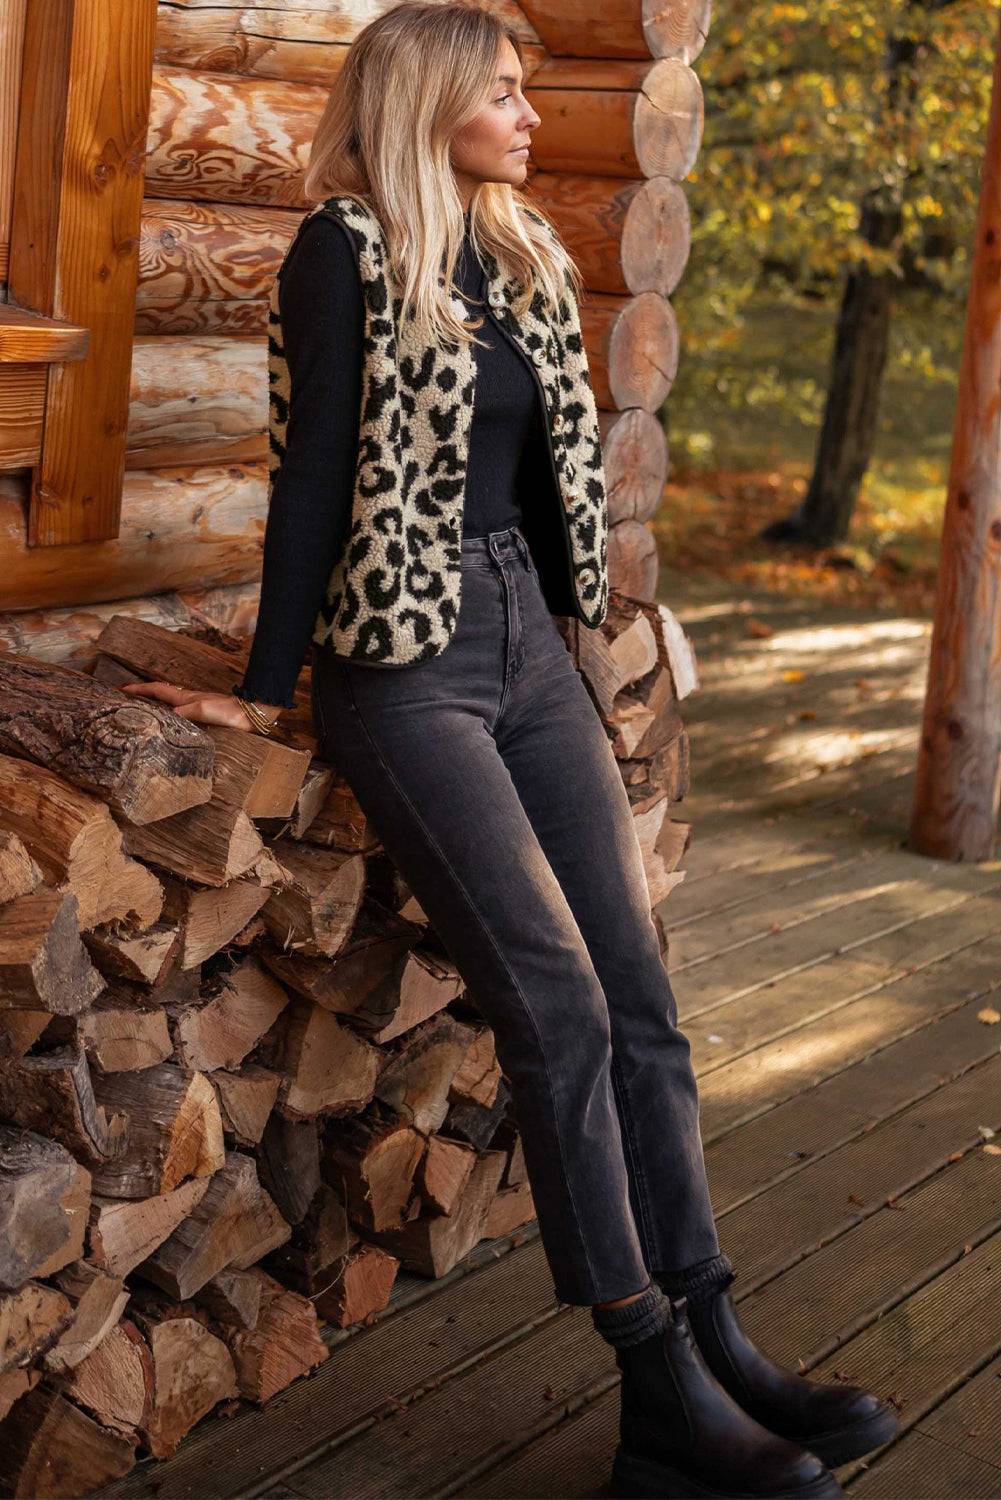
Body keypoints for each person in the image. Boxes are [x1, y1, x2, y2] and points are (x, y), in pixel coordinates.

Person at [121, 5, 896, 1495]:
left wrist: (578, 640)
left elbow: (546, 482)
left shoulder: (523, 247)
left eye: (536, 91)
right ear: (424, 100)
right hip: (400, 671)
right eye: (504, 91)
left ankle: (716, 1327)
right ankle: (652, 1380)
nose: (532, 114)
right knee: (557, 1007)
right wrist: (271, 687)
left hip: (526, 649)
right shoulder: (341, 252)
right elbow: (308, 482)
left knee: (643, 996)